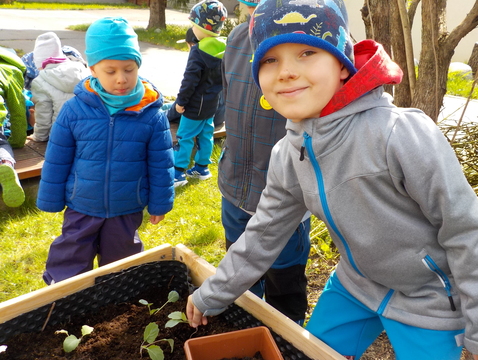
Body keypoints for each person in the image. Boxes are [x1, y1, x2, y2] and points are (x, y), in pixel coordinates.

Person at [186, 1, 478, 359]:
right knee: (310, 353)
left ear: (342, 64)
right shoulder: (289, 153)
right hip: (354, 286)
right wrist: (210, 294)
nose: (286, 72)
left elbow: (467, 232)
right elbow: (263, 234)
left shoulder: (399, 134)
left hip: (430, 298)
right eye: (270, 60)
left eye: (307, 52)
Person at [37, 17, 175, 285]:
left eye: (129, 69)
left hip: (126, 207)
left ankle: (119, 298)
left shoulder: (151, 115)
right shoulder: (74, 110)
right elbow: (57, 157)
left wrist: (160, 202)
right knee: (71, 257)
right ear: (92, 69)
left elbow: (161, 164)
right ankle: (62, 298)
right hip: (82, 205)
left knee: (122, 263)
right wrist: (50, 198)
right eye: (110, 71)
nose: (121, 79)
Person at [216, 0, 310, 325]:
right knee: (240, 280)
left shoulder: (309, 42)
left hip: (284, 205)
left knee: (284, 288)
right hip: (234, 190)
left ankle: (285, 341)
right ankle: (246, 330)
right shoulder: (238, 39)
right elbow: (228, 99)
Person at [171, 0, 227, 187]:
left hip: (194, 105)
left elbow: (190, 81)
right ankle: (202, 168)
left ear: (202, 27)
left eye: (193, 25)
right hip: (212, 105)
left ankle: (178, 173)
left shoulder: (197, 51)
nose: (192, 29)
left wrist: (180, 101)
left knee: (185, 137)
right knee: (206, 135)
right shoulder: (224, 48)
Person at [29, 32, 90, 142]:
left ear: (39, 63)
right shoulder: (81, 69)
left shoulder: (40, 81)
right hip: (89, 131)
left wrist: (39, 137)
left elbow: (44, 116)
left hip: (60, 136)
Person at [0, 46, 26, 207]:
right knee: (1, 143)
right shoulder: (11, 71)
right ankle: (5, 163)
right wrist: (17, 140)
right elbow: (18, 112)